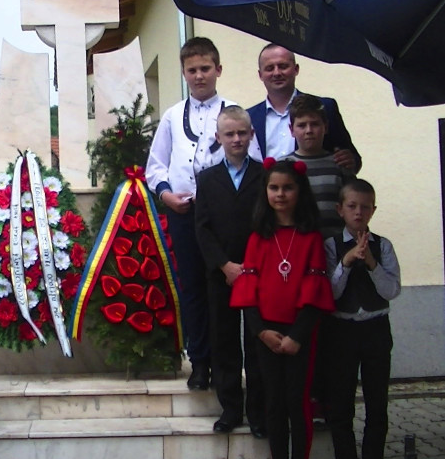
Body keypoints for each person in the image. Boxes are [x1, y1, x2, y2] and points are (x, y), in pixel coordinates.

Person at [146, 36, 262, 389]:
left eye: (205, 69)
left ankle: (236, 365)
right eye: (192, 70)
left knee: (224, 290)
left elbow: (254, 162)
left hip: (225, 218)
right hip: (184, 213)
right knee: (193, 288)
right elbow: (155, 165)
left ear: (218, 70)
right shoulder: (171, 116)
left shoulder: (234, 112)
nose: (199, 76)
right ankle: (200, 362)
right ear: (184, 73)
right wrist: (166, 195)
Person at [231, 159, 335, 459]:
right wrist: (261, 331)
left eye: (287, 188)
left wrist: (297, 336)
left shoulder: (311, 238)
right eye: (274, 188)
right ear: (265, 192)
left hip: (299, 334)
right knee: (274, 401)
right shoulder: (257, 238)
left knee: (297, 401)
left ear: (299, 191)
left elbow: (315, 291)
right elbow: (248, 291)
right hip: (267, 332)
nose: (280, 194)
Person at [194, 106, 265, 437]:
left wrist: (251, 266)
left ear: (251, 135)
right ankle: (231, 410)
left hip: (257, 273)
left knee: (257, 342)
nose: (236, 139)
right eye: (229, 134)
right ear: (218, 138)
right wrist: (224, 265)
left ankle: (259, 413)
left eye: (241, 133)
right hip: (221, 274)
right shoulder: (207, 179)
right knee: (224, 342)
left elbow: (268, 226)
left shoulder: (265, 177)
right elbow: (202, 228)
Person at [322, 179, 401, 459]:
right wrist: (346, 261)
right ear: (340, 209)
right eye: (352, 206)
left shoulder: (383, 246)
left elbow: (392, 290)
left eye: (365, 207)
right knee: (340, 406)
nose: (358, 212)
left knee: (377, 405)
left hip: (375, 330)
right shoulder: (331, 246)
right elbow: (330, 294)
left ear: (373, 211)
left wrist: (371, 263)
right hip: (341, 332)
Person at [247, 43, 362, 172]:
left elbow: (353, 160)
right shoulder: (249, 118)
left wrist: (350, 161)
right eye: (269, 68)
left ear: (296, 69)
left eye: (283, 66)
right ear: (260, 75)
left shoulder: (324, 108)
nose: (277, 73)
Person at [282, 94, 354, 239]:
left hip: (335, 245)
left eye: (314, 124)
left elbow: (352, 206)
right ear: (291, 130)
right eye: (302, 125)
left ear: (325, 127)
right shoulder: (283, 166)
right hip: (297, 244)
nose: (309, 130)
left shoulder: (340, 164)